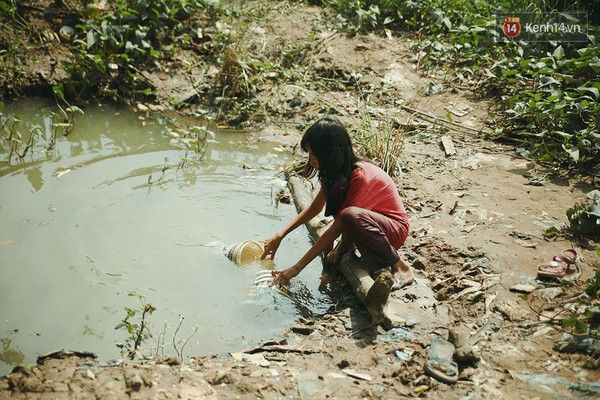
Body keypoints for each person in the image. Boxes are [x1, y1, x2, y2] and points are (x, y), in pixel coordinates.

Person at [262, 116, 413, 290]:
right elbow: (315, 207)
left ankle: (400, 266)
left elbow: (339, 225)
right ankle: (347, 246)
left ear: (330, 154)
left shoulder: (361, 176)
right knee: (347, 213)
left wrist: (297, 268)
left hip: (393, 229)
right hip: (369, 226)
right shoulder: (334, 174)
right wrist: (281, 234)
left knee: (349, 214)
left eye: (314, 155)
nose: (311, 161)